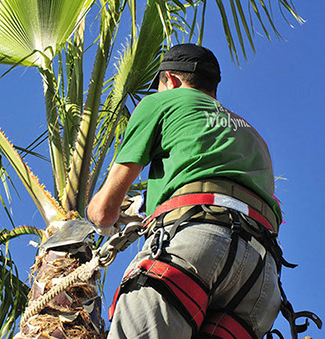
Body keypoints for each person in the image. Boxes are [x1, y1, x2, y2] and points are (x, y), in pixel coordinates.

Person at [86, 44, 283, 338]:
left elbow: (103, 212)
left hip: (196, 246)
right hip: (260, 280)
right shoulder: (253, 137)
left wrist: (100, 216)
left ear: (173, 81)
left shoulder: (165, 103)